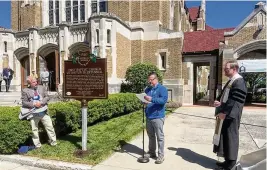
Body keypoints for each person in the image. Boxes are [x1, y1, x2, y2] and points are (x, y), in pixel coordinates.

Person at [213, 60, 247, 170]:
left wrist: (225, 113)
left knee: (231, 137)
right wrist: (219, 102)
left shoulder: (239, 81)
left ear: (235, 69)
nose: (224, 71)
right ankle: (227, 161)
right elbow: (225, 96)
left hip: (231, 115)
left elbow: (236, 101)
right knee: (225, 137)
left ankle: (231, 164)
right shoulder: (231, 81)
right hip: (226, 113)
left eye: (226, 69)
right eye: (225, 69)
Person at [21, 76, 57, 148]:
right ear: (29, 83)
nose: (36, 83)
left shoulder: (41, 87)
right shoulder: (25, 91)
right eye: (33, 82)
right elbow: (24, 102)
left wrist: (41, 103)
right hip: (33, 113)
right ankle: (37, 145)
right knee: (34, 130)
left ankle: (54, 142)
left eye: (36, 81)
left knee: (50, 127)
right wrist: (34, 104)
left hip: (43, 111)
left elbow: (47, 97)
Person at [143, 72, 168, 164]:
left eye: (151, 79)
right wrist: (144, 102)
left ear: (156, 79)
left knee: (160, 136)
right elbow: (145, 100)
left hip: (158, 116)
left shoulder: (162, 89)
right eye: (149, 79)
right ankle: (152, 152)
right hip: (149, 116)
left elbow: (163, 100)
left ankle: (161, 156)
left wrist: (151, 99)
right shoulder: (147, 89)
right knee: (151, 136)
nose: (150, 81)